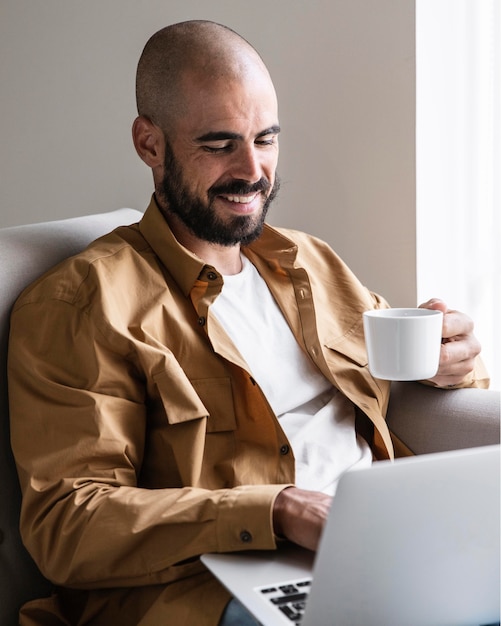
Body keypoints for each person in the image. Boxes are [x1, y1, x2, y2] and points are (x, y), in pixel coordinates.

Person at [8, 20, 488, 626]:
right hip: (218, 589)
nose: (252, 170)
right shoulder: (83, 304)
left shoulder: (309, 264)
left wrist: (458, 363)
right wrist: (275, 510)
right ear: (148, 143)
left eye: (265, 139)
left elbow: (415, 383)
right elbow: (68, 524)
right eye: (219, 144)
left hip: (376, 555)